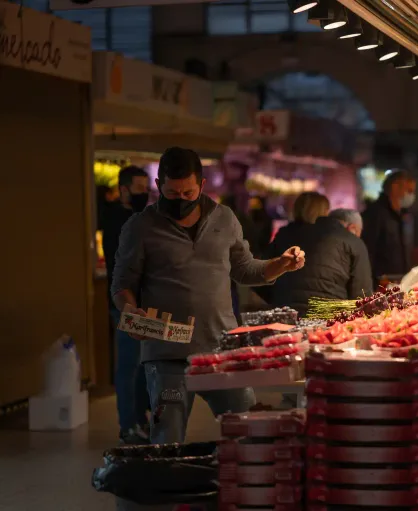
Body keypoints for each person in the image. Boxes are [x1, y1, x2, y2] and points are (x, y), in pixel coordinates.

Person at [111, 147, 305, 444]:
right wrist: (130, 309)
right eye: (172, 193)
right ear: (159, 185)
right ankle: (168, 488)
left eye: (187, 193)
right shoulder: (140, 227)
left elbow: (245, 270)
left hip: (221, 350)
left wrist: (281, 264)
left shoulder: (225, 219)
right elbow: (122, 283)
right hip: (167, 357)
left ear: (201, 185)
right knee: (167, 438)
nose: (180, 201)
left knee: (249, 428)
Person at [101, 165, 151, 445]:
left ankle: (139, 419)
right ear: (123, 190)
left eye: (146, 189)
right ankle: (128, 424)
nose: (144, 194)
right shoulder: (116, 219)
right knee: (130, 364)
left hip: (142, 303)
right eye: (139, 189)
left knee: (143, 364)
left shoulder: (137, 217)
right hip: (125, 303)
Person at [265, 206, 372, 316]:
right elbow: (361, 297)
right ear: (352, 228)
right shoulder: (354, 243)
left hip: (282, 314)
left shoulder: (289, 234)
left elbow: (262, 277)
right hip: (328, 319)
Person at [361, 171, 416, 282]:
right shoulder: (374, 214)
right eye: (409, 190)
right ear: (395, 187)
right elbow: (367, 251)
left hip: (400, 281)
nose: (412, 195)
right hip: (380, 284)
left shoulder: (402, 215)